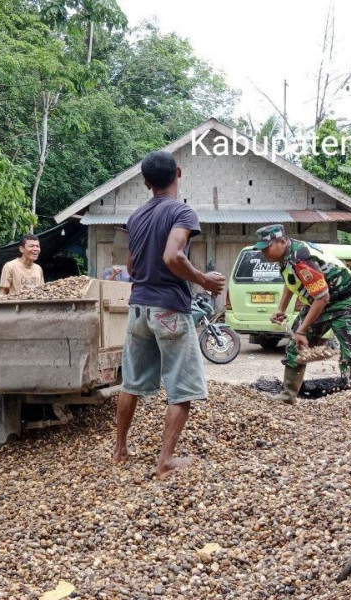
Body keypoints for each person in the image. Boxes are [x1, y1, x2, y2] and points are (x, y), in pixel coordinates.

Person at [112, 151, 225, 479]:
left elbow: (131, 266)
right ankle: (165, 461)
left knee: (131, 383)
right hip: (170, 310)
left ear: (146, 183)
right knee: (182, 387)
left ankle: (120, 450)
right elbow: (173, 255)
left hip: (139, 309)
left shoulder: (135, 217)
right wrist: (204, 280)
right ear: (178, 173)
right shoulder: (181, 212)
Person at [255, 224, 351, 413]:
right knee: (295, 347)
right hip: (320, 299)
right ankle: (288, 396)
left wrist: (302, 330)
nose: (263, 253)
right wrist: (282, 308)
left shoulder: (301, 258)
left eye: (266, 248)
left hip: (344, 299)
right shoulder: (285, 258)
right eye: (261, 249)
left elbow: (322, 297)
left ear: (282, 241)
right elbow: (291, 282)